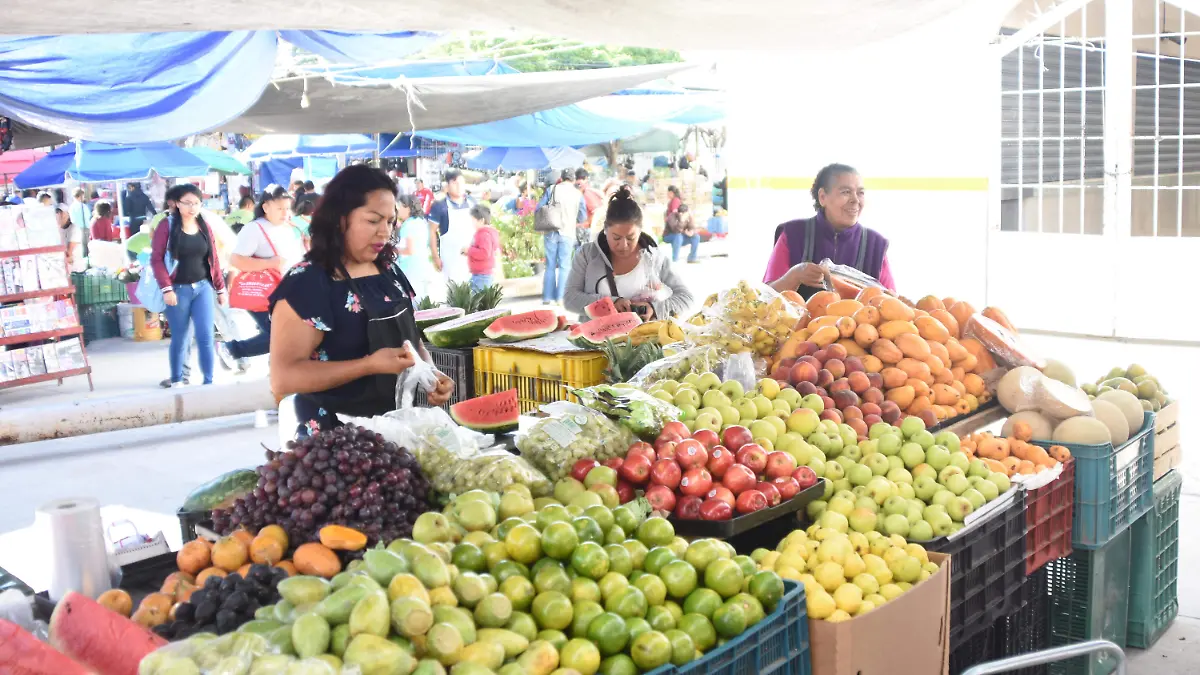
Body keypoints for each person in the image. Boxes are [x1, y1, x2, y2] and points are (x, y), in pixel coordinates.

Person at [268, 164, 453, 439]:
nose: (385, 232)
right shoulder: (307, 283)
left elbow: (410, 344)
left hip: (396, 435)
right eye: (372, 220)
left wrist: (431, 374)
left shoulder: (388, 271)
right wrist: (368, 365)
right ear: (340, 218)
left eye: (390, 221)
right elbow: (283, 377)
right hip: (332, 447)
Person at [764, 163, 895, 298]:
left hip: (856, 320)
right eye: (845, 192)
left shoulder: (875, 245)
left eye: (860, 193)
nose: (855, 200)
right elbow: (764, 297)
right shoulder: (792, 234)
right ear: (822, 197)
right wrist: (794, 276)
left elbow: (891, 302)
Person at [565, 186, 694, 322]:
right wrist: (611, 302)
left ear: (640, 231)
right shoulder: (586, 254)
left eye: (631, 238)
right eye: (616, 238)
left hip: (645, 336)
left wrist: (655, 308)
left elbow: (686, 297)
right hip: (599, 339)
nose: (623, 245)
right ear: (605, 230)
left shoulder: (654, 257)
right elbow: (571, 298)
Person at [150, 184, 227, 387]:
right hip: (178, 290)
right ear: (176, 204)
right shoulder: (166, 226)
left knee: (206, 337)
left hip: (203, 288)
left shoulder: (204, 225)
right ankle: (177, 380)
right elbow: (156, 259)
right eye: (187, 203)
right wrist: (166, 288)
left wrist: (220, 288)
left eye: (196, 203)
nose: (192, 207)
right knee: (181, 338)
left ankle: (208, 382)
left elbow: (213, 258)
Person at [223, 186, 307, 370]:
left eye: (287, 208)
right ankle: (233, 349)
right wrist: (270, 263)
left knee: (287, 335)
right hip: (265, 293)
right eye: (280, 208)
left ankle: (277, 369)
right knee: (278, 335)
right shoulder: (254, 228)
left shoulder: (288, 228)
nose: (285, 213)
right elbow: (236, 259)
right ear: (266, 206)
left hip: (288, 290)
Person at [537, 169, 587, 306]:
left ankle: (547, 298)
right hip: (568, 233)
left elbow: (539, 207)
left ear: (562, 178)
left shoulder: (552, 189)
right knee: (565, 266)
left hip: (551, 231)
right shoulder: (578, 194)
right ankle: (560, 298)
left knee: (550, 266)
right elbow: (583, 216)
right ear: (573, 179)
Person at [427, 170, 476, 287]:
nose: (459, 186)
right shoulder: (439, 206)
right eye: (454, 183)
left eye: (461, 183)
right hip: (450, 260)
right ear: (447, 186)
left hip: (472, 257)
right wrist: (435, 257)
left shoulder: (472, 202)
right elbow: (431, 231)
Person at [393, 195, 436, 301]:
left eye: (399, 208)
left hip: (411, 269)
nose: (397, 211)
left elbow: (409, 250)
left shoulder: (408, 225)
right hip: (424, 266)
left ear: (407, 207)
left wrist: (392, 249)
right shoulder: (421, 222)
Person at [465, 204, 499, 292]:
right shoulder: (486, 233)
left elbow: (484, 253)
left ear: (482, 220)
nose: (471, 223)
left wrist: (469, 250)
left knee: (478, 302)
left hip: (482, 275)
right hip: (481, 274)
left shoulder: (484, 234)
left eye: (473, 220)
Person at [575, 168, 603, 249]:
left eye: (581, 180)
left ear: (586, 180)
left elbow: (596, 213)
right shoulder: (582, 192)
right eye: (577, 180)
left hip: (589, 230)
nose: (578, 183)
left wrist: (584, 224)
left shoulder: (587, 193)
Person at [56, 204, 86, 273]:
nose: (60, 216)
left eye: (62, 214)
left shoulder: (74, 229)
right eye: (58, 214)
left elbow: (69, 253)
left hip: (76, 269)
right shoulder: (58, 230)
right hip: (64, 267)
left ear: (68, 215)